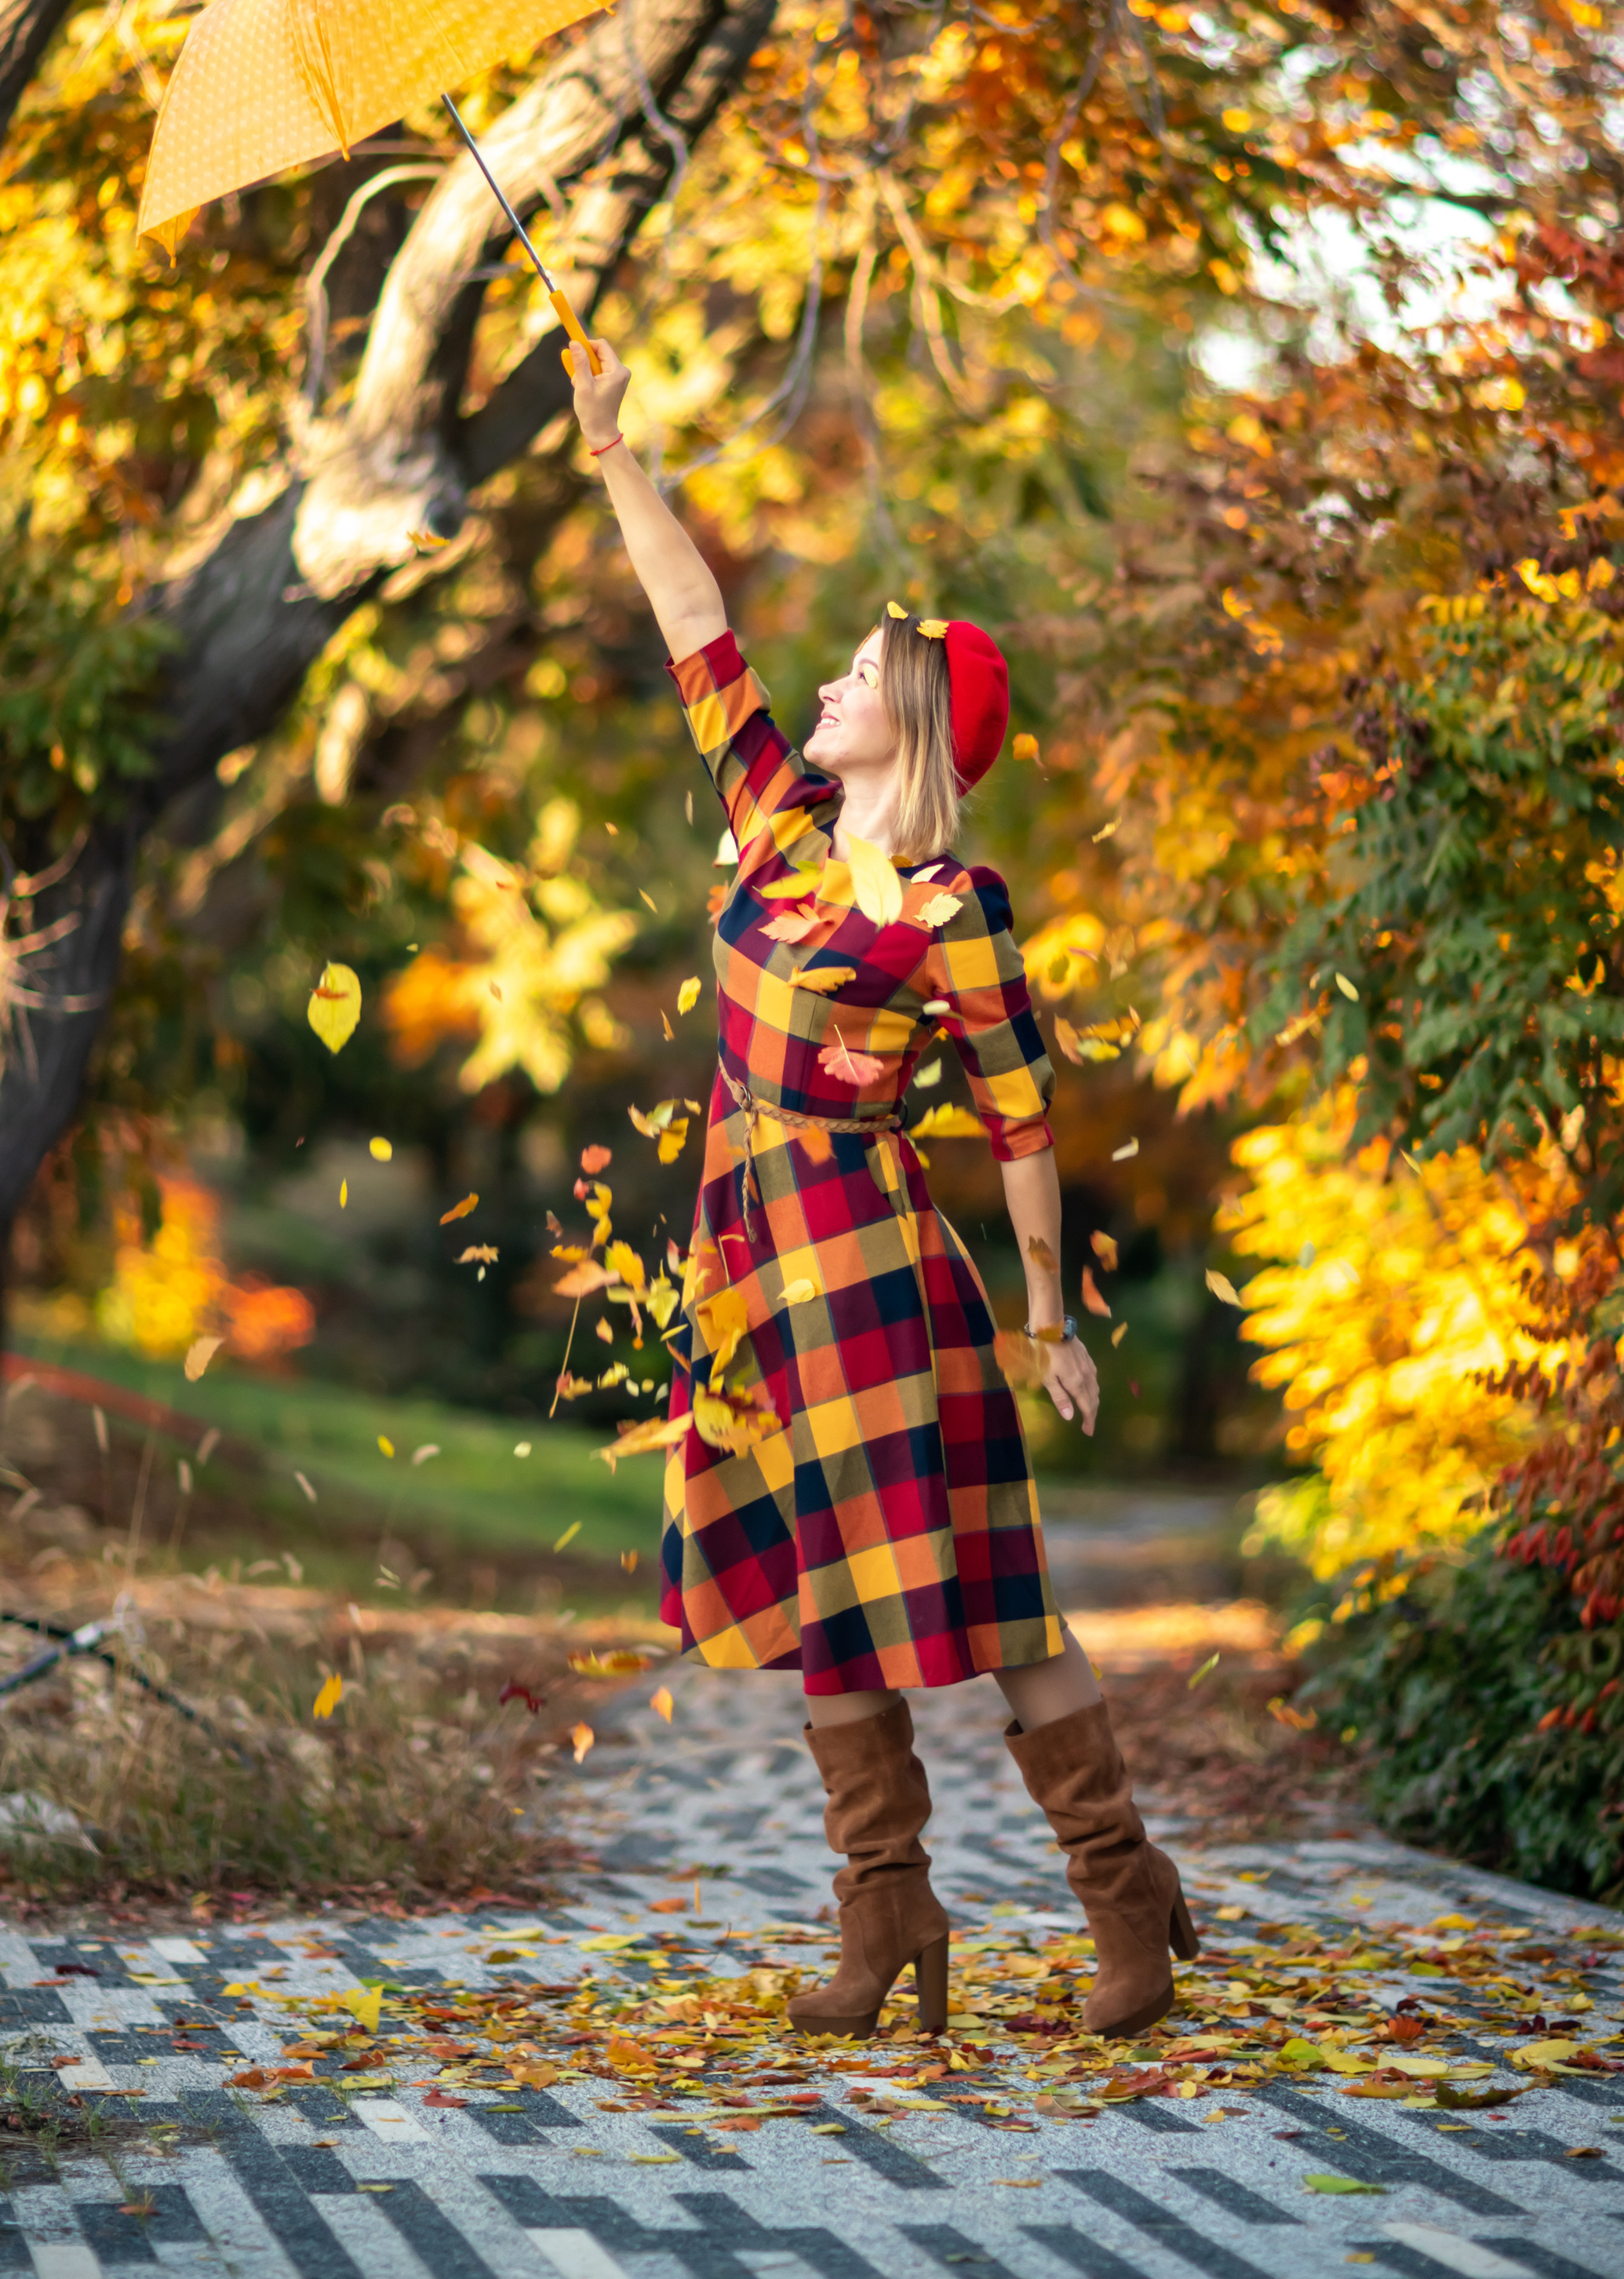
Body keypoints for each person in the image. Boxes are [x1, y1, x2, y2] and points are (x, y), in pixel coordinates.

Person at [566, 339, 1196, 2041]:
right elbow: (691, 615)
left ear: (915, 723)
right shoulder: (771, 822)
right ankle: (885, 1911)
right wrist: (616, 449)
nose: (823, 684)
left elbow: (1013, 1115)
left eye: (857, 672)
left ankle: (1121, 1888)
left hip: (870, 1263)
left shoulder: (950, 902)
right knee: (817, 1587)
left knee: (986, 1605)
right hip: (751, 1261)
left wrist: (1050, 1311)